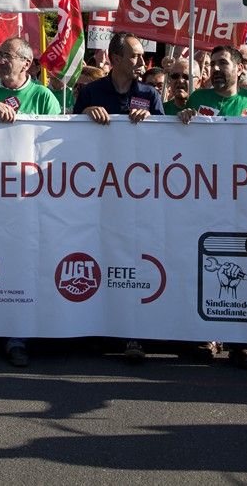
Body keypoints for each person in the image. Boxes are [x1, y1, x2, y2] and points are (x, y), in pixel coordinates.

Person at [178, 44, 247, 369]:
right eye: (212, 64)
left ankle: (241, 341)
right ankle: (208, 334)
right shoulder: (197, 100)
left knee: (242, 266)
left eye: (223, 63)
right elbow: (183, 143)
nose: (217, 69)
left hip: (246, 196)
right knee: (207, 262)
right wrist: (183, 120)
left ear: (238, 68)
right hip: (205, 194)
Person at [73, 32, 164, 364]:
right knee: (99, 254)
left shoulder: (150, 94)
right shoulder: (92, 92)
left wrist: (154, 122)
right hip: (98, 192)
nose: (142, 62)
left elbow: (164, 141)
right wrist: (85, 116)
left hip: (138, 194)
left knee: (135, 259)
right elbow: (68, 136)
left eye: (142, 56)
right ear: (114, 59)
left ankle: (133, 333)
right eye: (136, 56)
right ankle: (94, 325)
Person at [0, 36, 60, 366]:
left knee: (25, 261)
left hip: (28, 197)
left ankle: (20, 334)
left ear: (25, 63)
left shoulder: (43, 96)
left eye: (5, 55)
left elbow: (56, 142)